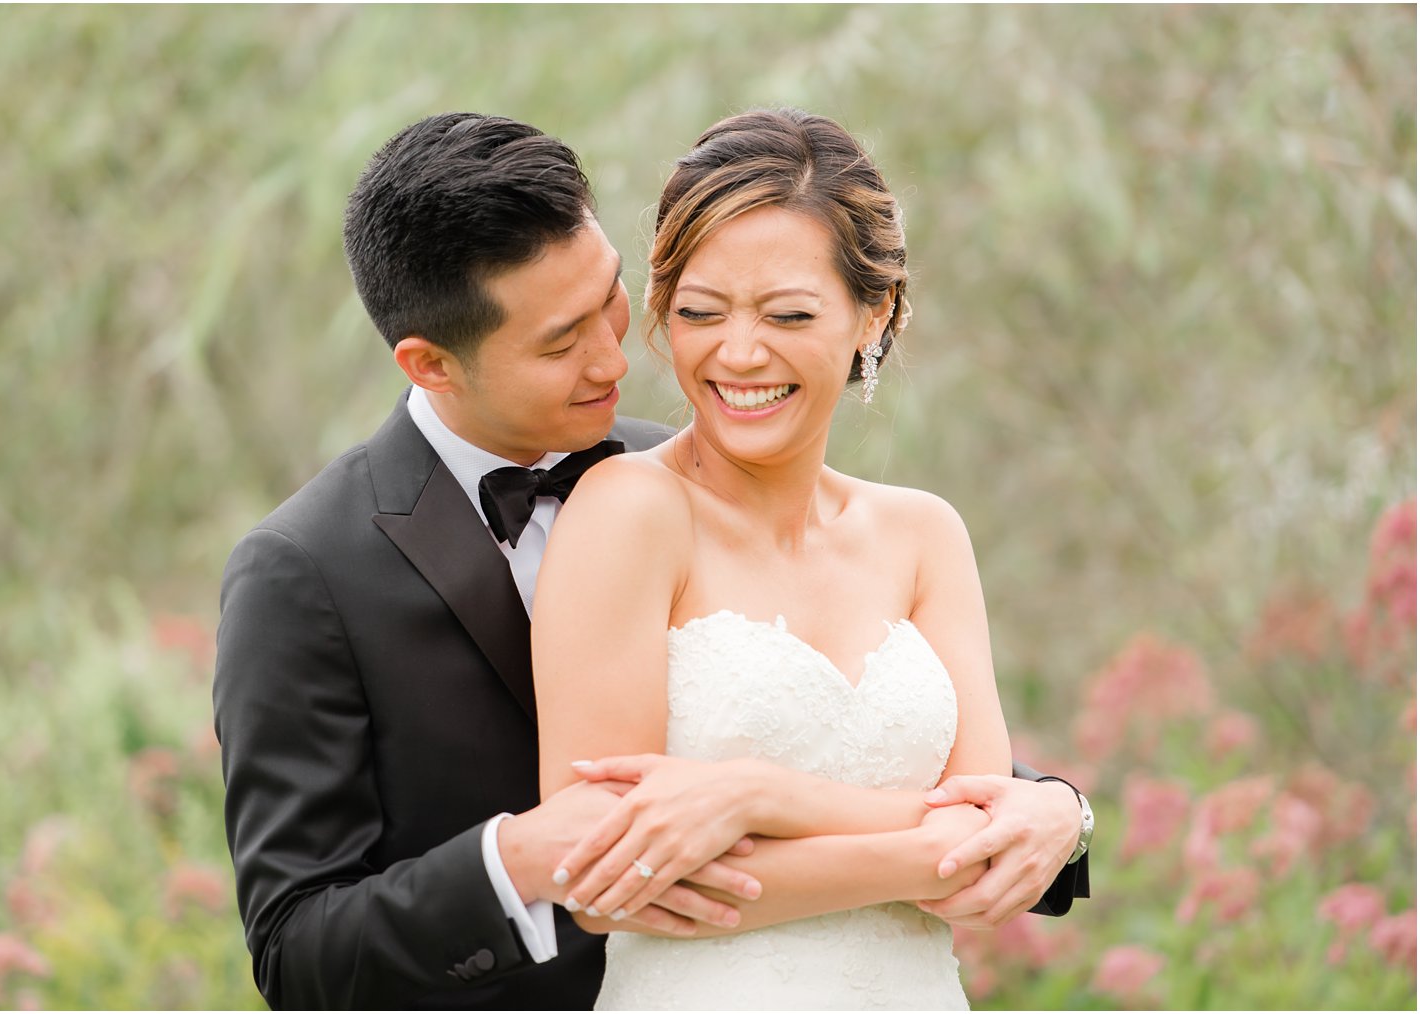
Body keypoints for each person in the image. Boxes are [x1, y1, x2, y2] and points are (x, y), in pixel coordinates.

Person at [214, 111, 1089, 1010]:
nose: (614, 356)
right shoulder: (304, 571)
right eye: (561, 342)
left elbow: (895, 756)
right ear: (430, 364)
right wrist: (520, 856)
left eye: (613, 299)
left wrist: (1058, 810)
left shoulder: (722, 462)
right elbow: (297, 950)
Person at [531, 108, 1082, 1010]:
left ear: (876, 313)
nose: (739, 353)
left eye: (788, 314)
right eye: (701, 313)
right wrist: (922, 848)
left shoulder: (925, 535)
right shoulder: (629, 512)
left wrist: (758, 799)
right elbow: (604, 877)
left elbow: (989, 857)